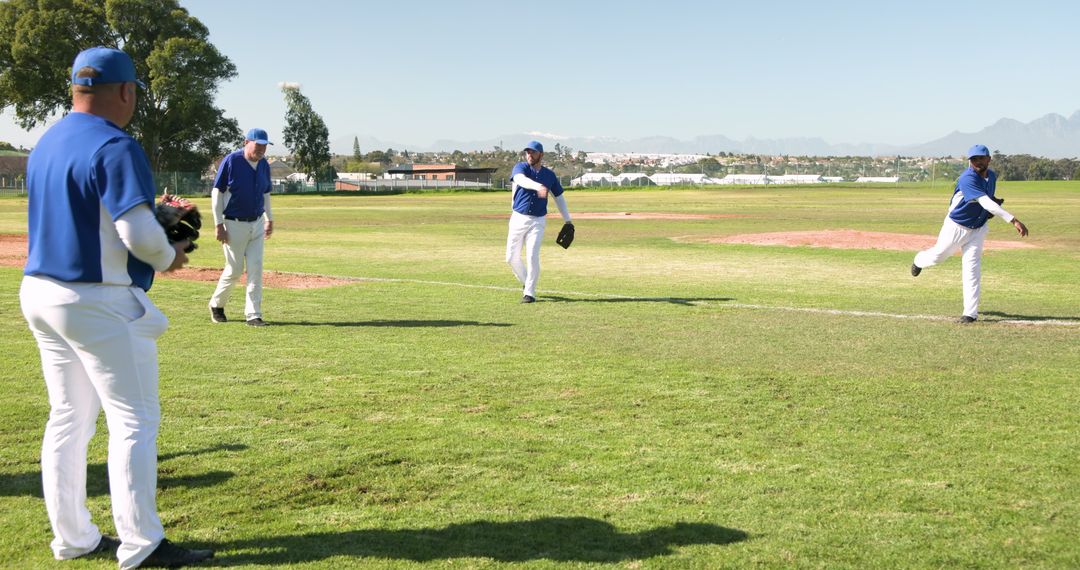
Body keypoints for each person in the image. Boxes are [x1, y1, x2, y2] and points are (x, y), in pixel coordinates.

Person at [19, 47, 213, 568]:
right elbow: (137, 235)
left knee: (68, 418)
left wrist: (154, 219)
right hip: (97, 298)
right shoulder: (115, 143)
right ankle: (142, 545)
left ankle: (74, 538)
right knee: (134, 420)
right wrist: (168, 251)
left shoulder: (47, 141)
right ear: (126, 92)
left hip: (40, 290)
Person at [911, 144, 1029, 323]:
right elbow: (985, 203)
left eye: (981, 158)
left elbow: (988, 201)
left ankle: (970, 314)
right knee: (938, 256)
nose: (977, 162)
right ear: (970, 162)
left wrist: (994, 202)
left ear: (988, 159)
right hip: (957, 227)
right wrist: (1013, 220)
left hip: (978, 229)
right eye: (974, 159)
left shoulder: (992, 177)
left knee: (972, 269)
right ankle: (919, 260)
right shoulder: (967, 178)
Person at [208, 128, 275, 326]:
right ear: (246, 142)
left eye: (264, 146)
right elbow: (217, 193)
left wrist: (269, 218)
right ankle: (216, 304)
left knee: (256, 268)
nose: (261, 149)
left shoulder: (263, 164)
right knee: (235, 269)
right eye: (258, 145)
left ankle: (253, 314)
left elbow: (265, 193)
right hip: (233, 223)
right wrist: (218, 223)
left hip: (256, 223)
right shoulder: (232, 160)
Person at [506, 140, 573, 303]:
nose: (529, 154)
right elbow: (520, 179)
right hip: (518, 218)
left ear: (541, 155)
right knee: (510, 257)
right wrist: (538, 187)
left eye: (533, 152)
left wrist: (568, 221)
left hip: (538, 220)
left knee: (532, 256)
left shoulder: (549, 175)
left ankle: (529, 293)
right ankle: (525, 282)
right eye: (527, 152)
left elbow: (559, 198)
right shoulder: (521, 168)